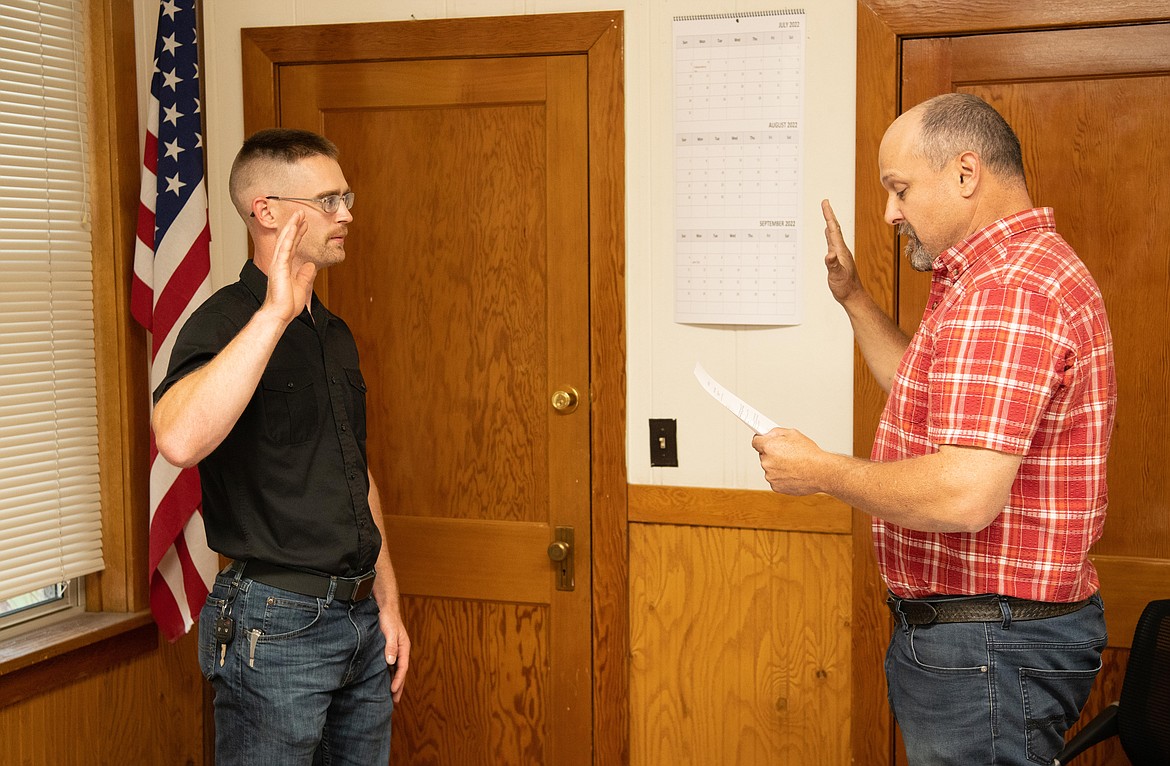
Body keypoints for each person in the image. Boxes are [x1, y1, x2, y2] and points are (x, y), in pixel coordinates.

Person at [752, 93, 1115, 765]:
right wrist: (854, 298)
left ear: (966, 173)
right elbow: (929, 398)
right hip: (987, 642)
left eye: (900, 189)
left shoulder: (1010, 289)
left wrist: (819, 471)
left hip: (989, 647)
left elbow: (963, 495)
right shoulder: (1000, 276)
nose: (890, 212)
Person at [152, 128, 410, 764]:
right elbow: (178, 439)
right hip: (274, 625)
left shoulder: (335, 332)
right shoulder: (221, 322)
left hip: (357, 624)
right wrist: (273, 313)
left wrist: (387, 602)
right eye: (327, 200)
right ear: (266, 211)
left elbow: (354, 472)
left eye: (344, 196)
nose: (346, 213)